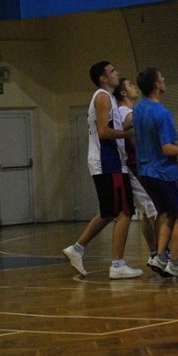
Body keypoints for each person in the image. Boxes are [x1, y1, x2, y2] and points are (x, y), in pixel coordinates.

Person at [62, 61, 143, 280]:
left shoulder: (109, 99)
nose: (117, 73)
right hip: (108, 162)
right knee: (125, 210)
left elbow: (112, 127)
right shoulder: (103, 97)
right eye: (112, 71)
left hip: (110, 161)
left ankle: (77, 248)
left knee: (109, 211)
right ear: (103, 78)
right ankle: (117, 264)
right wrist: (129, 135)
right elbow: (104, 132)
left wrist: (131, 125)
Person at [133, 67, 178, 280]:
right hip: (165, 173)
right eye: (161, 77)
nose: (164, 79)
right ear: (156, 85)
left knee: (166, 212)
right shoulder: (162, 113)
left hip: (145, 172)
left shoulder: (139, 109)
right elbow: (167, 148)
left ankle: (160, 256)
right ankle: (175, 263)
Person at [113, 78, 160, 264]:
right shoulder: (127, 113)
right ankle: (158, 253)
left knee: (148, 211)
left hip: (134, 165)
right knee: (153, 209)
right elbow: (133, 141)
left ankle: (155, 252)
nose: (135, 87)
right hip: (135, 165)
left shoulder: (126, 112)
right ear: (123, 93)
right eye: (131, 85)